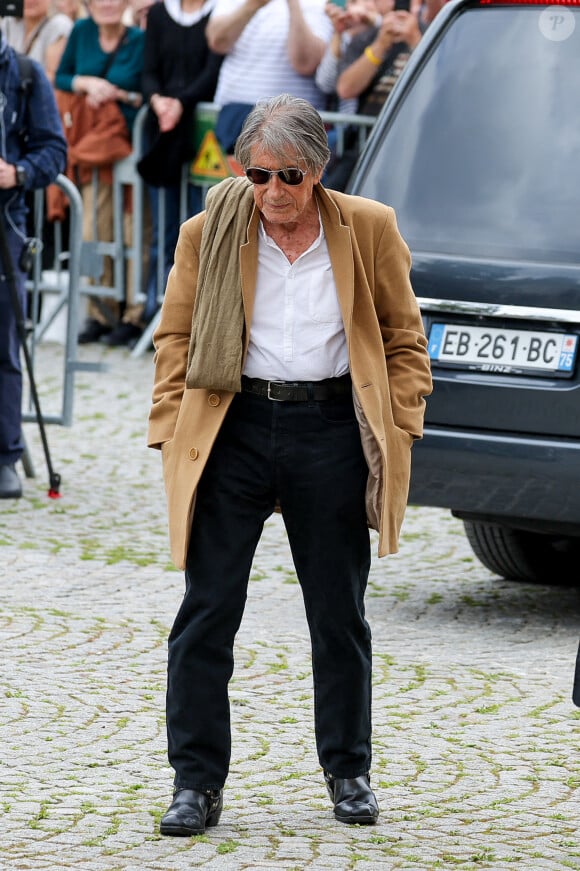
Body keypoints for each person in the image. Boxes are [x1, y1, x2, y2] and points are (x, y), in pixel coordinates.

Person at [148, 93, 432, 834]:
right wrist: (170, 431)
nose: (272, 192)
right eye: (258, 174)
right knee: (206, 613)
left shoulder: (368, 229)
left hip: (331, 427)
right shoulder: (209, 230)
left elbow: (405, 339)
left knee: (338, 615)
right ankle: (196, 782)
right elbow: (174, 337)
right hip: (233, 424)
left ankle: (349, 771)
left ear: (319, 171)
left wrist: (399, 424)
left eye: (289, 176)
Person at [0, 32, 67, 499]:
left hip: (5, 225)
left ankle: (4, 455)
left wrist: (17, 173)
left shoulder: (23, 74)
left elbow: (53, 151)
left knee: (4, 343)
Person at [55, 0, 145, 346]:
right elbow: (62, 76)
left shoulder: (138, 39)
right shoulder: (81, 32)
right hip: (93, 153)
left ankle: (133, 315)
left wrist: (119, 94)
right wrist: (87, 83)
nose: (107, 4)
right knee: (93, 230)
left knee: (134, 231)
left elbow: (148, 90)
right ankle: (98, 313)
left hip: (129, 150)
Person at [138, 0, 222, 324]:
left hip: (201, 132)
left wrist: (181, 103)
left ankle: (192, 317)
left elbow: (214, 71)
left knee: (199, 226)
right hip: (162, 129)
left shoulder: (220, 12)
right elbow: (148, 71)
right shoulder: (159, 13)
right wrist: (158, 102)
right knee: (163, 227)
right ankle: (155, 311)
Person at [206, 0, 333, 153]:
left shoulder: (318, 4)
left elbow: (306, 63)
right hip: (233, 119)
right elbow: (217, 42)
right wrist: (252, 5)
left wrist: (293, 5)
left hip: (292, 124)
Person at [2, 0, 73, 82]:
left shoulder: (59, 25)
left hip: (37, 91)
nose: (30, 1)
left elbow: (52, 77)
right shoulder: (9, 22)